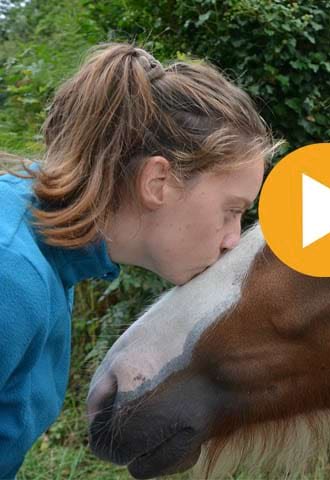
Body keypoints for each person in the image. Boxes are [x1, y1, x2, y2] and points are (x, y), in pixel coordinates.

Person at [0, 43, 276, 478]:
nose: (231, 240)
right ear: (157, 181)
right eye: (231, 210)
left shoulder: (44, 251)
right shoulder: (11, 275)